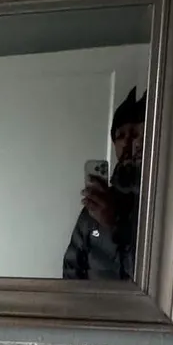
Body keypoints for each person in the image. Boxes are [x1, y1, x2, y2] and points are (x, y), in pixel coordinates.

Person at [62, 88, 145, 280]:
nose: (127, 143)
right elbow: (71, 269)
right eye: (120, 136)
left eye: (134, 134)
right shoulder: (97, 204)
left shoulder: (157, 205)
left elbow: (151, 279)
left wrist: (113, 226)